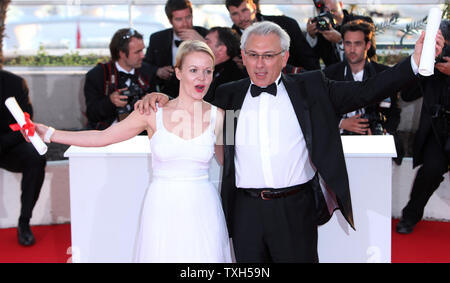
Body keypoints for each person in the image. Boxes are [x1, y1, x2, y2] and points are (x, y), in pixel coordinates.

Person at [137, 21, 444, 263]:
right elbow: (191, 101)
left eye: (269, 55)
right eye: (253, 55)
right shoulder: (227, 96)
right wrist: (159, 97)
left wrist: (414, 61)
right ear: (242, 57)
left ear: (284, 57)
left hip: (295, 209)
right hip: (244, 212)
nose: (260, 64)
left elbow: (368, 91)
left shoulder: (311, 88)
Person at [23, 41, 231, 263]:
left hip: (203, 208)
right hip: (163, 205)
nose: (202, 78)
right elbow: (102, 137)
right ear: (178, 72)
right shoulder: (152, 112)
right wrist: (50, 133)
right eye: (193, 70)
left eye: (208, 71)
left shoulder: (220, 116)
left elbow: (234, 166)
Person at [396, 20, 450, 235]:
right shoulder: (431, 62)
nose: (440, 48)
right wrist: (420, 63)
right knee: (431, 170)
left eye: (442, 43)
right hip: (438, 131)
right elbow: (407, 95)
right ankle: (410, 216)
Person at [323, 20, 403, 163]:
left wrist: (383, 131)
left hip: (375, 143)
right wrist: (341, 123)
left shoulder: (384, 74)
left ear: (367, 45)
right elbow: (319, 110)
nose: (352, 49)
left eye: (357, 44)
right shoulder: (328, 75)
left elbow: (394, 114)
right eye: (348, 43)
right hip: (338, 142)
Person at [0, 70, 46, 246]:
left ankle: (24, 222)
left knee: (35, 157)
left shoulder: (15, 83)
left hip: (8, 144)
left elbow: (25, 124)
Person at [84, 28, 157, 130]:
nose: (143, 56)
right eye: (138, 52)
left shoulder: (147, 72)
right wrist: (110, 101)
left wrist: (149, 100)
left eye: (143, 50)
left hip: (141, 133)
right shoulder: (98, 75)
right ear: (122, 53)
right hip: (106, 133)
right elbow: (92, 114)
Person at [226, 0, 320, 71]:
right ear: (230, 16)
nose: (241, 18)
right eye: (235, 14)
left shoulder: (287, 24)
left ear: (254, 8)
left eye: (245, 10)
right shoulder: (227, 42)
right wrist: (238, 67)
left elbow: (308, 59)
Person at [144, 0, 208, 98]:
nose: (185, 24)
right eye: (179, 19)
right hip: (167, 94)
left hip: (202, 93)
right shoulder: (157, 38)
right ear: (170, 21)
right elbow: (144, 64)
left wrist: (202, 42)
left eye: (188, 17)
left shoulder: (205, 34)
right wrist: (158, 71)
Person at [306, 0, 374, 67]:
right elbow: (310, 61)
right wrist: (311, 36)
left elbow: (370, 52)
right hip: (332, 76)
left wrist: (341, 41)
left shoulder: (362, 22)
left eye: (333, 11)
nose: (330, 16)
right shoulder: (320, 28)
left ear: (341, 5)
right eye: (325, 13)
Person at [203, 26, 247, 103]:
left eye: (207, 42)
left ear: (221, 49)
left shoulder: (233, 78)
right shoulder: (212, 71)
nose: (202, 44)